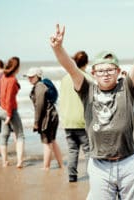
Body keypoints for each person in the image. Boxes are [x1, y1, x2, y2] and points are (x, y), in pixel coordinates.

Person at [51, 16, 134, 200]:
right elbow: (70, 68)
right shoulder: (87, 89)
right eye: (101, 71)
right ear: (93, 73)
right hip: (99, 165)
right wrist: (58, 48)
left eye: (110, 70)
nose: (106, 74)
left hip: (129, 163)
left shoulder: (126, 87)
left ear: (118, 71)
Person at [59, 51, 90, 182]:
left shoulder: (65, 78)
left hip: (67, 120)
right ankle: (91, 176)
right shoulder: (87, 77)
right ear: (86, 63)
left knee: (72, 150)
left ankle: (72, 177)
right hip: (82, 120)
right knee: (88, 151)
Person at [24, 67, 64, 170]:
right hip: (52, 115)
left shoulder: (39, 86)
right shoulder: (41, 85)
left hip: (48, 118)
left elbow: (40, 106)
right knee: (52, 141)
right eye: (28, 77)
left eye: (32, 77)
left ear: (38, 76)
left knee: (47, 143)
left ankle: (46, 167)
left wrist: (36, 122)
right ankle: (61, 164)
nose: (29, 79)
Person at [0, 56, 25, 168]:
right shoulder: (12, 80)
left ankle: (4, 162)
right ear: (17, 67)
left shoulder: (3, 77)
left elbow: (3, 94)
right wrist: (9, 114)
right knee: (20, 135)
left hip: (2, 109)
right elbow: (9, 97)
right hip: (10, 111)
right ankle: (19, 162)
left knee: (4, 136)